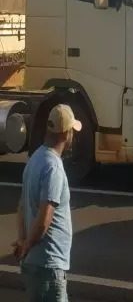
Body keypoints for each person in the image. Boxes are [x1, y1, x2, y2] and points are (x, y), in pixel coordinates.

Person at [13, 104, 81, 302]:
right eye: (72, 132)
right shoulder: (53, 167)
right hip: (49, 264)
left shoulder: (35, 159)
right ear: (67, 133)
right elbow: (45, 217)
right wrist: (27, 245)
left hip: (36, 262)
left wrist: (22, 240)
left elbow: (22, 206)